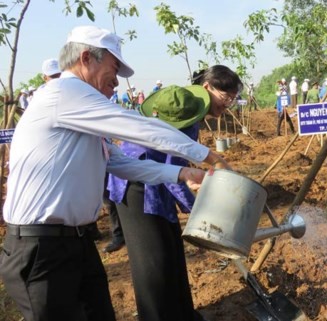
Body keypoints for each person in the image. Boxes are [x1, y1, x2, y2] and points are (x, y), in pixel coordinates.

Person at [0, 25, 227, 321]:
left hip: (75, 243)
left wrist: (182, 173)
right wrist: (209, 156)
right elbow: (138, 126)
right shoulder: (65, 92)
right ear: (86, 58)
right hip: (41, 251)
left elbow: (120, 163)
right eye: (113, 69)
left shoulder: (80, 114)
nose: (116, 83)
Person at [108, 65, 241, 321]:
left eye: (232, 99)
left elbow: (175, 166)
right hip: (136, 184)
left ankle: (183, 315)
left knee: (171, 252)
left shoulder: (193, 105)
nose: (228, 104)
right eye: (226, 97)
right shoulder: (187, 107)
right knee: (153, 264)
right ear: (207, 88)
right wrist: (201, 214)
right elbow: (173, 168)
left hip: (156, 180)